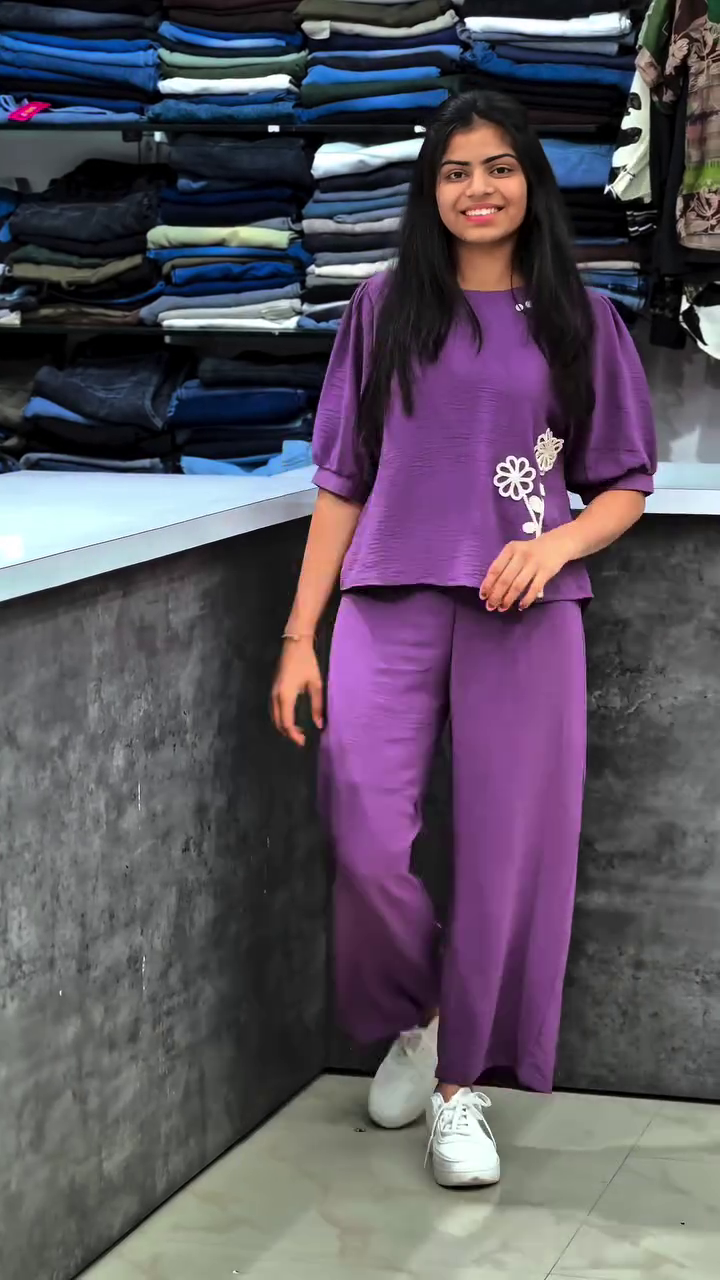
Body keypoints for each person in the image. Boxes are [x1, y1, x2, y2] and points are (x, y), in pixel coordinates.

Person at [271, 90, 656, 1190]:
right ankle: (424, 1016)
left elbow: (625, 480)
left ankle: (459, 1090)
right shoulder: (383, 307)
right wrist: (301, 633)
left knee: (507, 857)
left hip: (525, 610)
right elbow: (342, 480)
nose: (477, 189)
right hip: (386, 598)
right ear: (429, 190)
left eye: (497, 168)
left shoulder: (582, 316)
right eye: (454, 171)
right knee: (363, 834)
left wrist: (555, 545)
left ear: (530, 181)